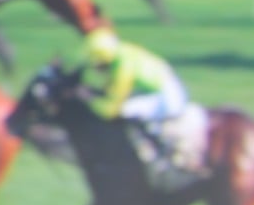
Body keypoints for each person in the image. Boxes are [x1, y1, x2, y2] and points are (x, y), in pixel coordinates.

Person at [74, 26, 189, 161]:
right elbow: (111, 90)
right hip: (165, 90)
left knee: (126, 110)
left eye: (96, 64)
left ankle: (156, 151)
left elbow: (111, 110)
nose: (96, 68)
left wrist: (89, 101)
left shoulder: (123, 67)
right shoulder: (122, 52)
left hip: (168, 99)